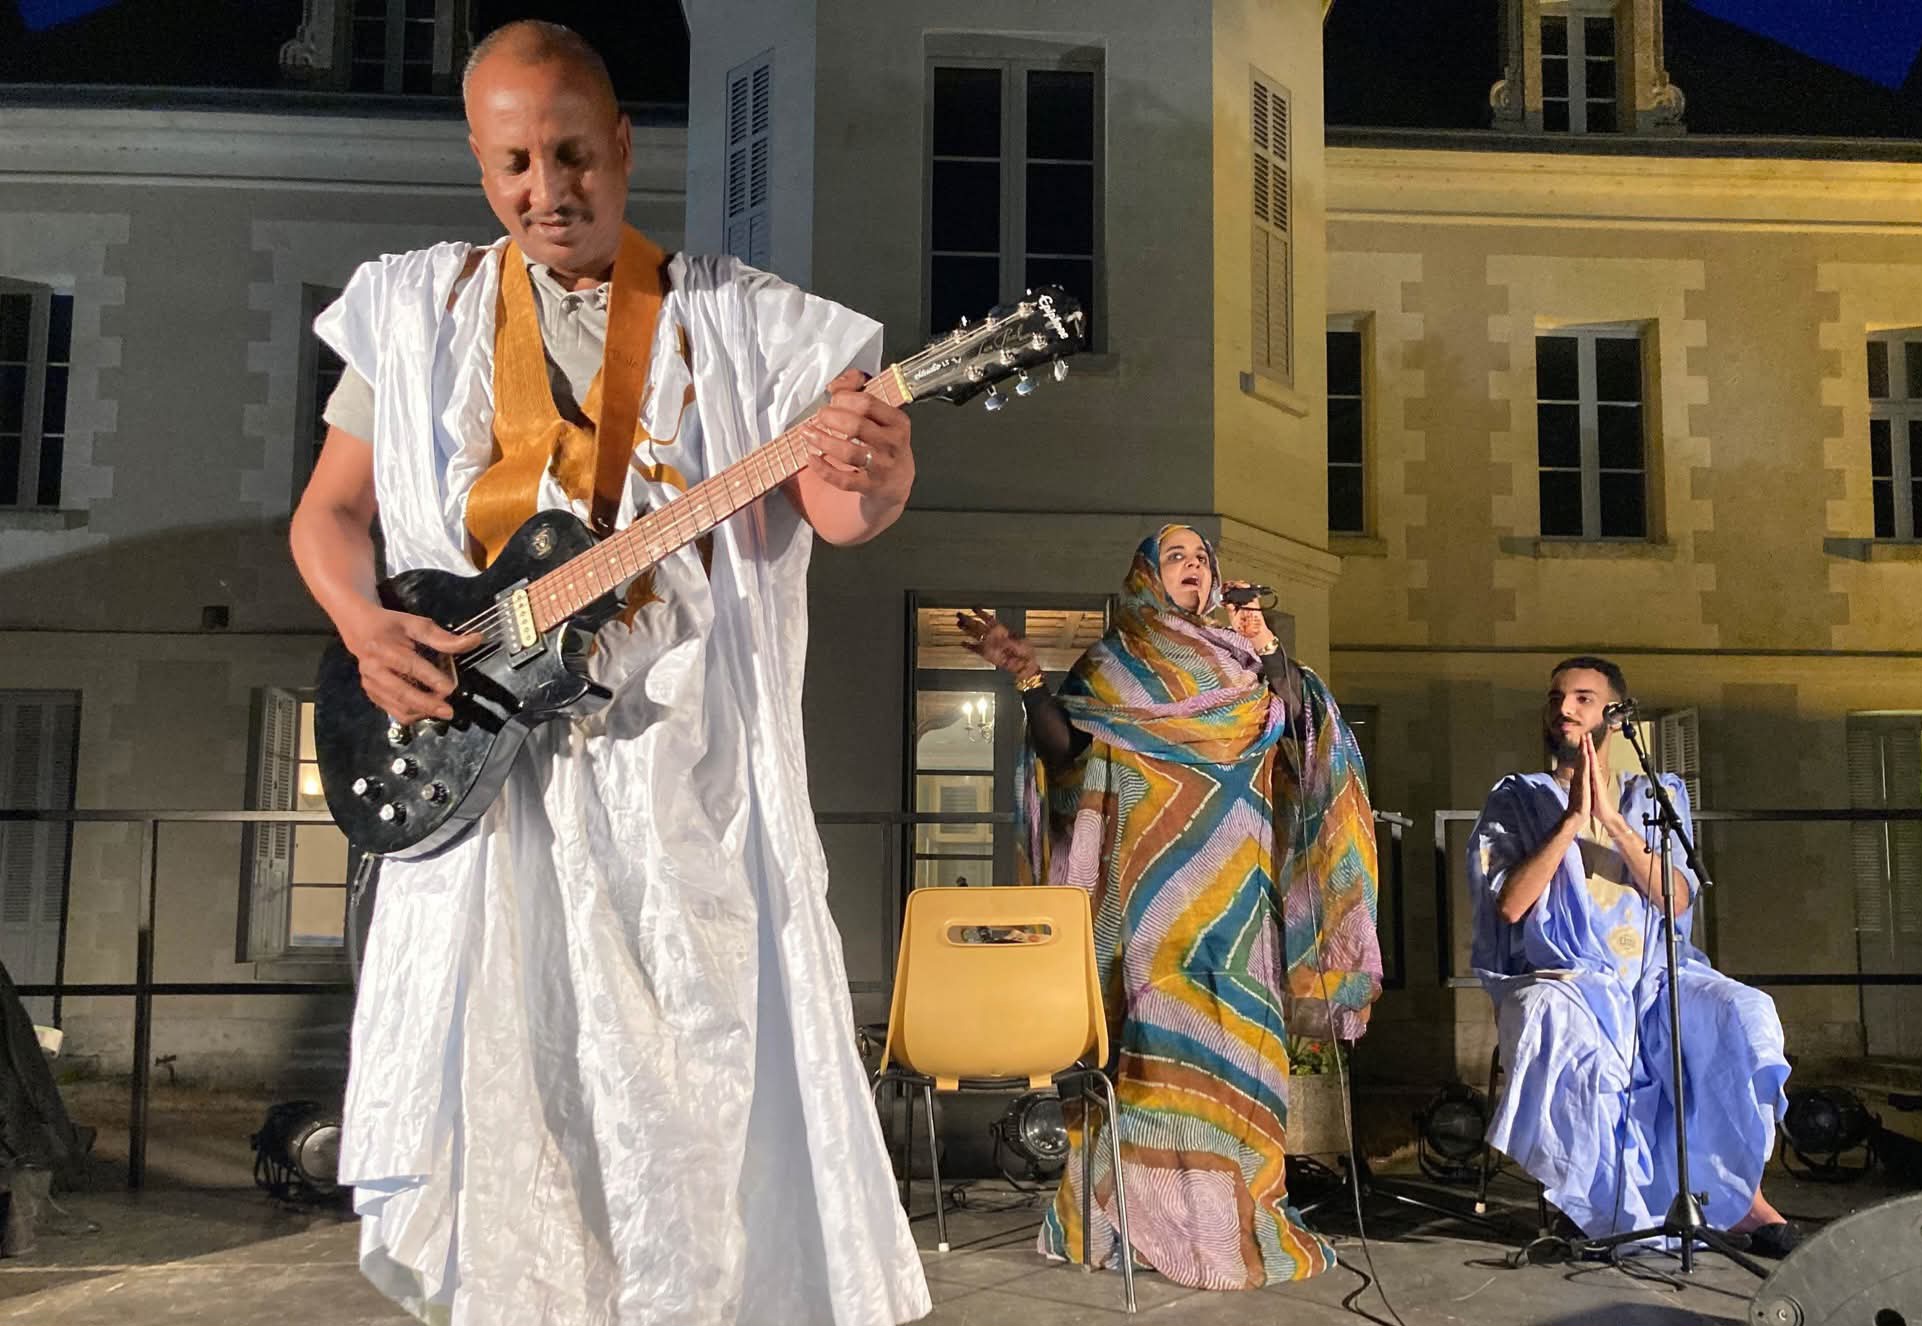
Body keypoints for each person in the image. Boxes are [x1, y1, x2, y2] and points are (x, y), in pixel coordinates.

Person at [288, 22, 930, 1325]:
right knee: (506, 1106)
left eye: (573, 152)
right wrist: (362, 626)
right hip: (480, 787)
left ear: (624, 144)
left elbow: (838, 507)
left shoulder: (744, 324)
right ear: (480, 165)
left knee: (690, 1117)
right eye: (514, 162)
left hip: (675, 798)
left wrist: (882, 470)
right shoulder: (416, 315)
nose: (547, 188)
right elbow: (330, 516)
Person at [958, 525, 1382, 1290]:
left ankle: (1229, 1221)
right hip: (1149, 902)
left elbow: (1304, 735)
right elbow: (1064, 758)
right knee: (1155, 1060)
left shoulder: (1246, 663)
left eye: (1201, 558)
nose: (1193, 566)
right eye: (1176, 557)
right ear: (1147, 577)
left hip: (1239, 905)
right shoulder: (1113, 664)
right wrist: (1026, 678)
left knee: (1242, 1055)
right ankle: (1136, 1221)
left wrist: (1266, 645)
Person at [1466, 656, 1802, 1257]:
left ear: (1616, 717)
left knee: (1741, 1012)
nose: (1564, 709)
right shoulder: (1517, 799)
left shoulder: (1657, 795)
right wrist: (1572, 821)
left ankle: (1740, 1200)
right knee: (1552, 1016)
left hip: (1656, 972)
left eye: (1583, 698)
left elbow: (1676, 898)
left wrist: (1613, 823)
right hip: (1565, 973)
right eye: (1556, 698)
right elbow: (1512, 906)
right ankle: (1590, 1204)